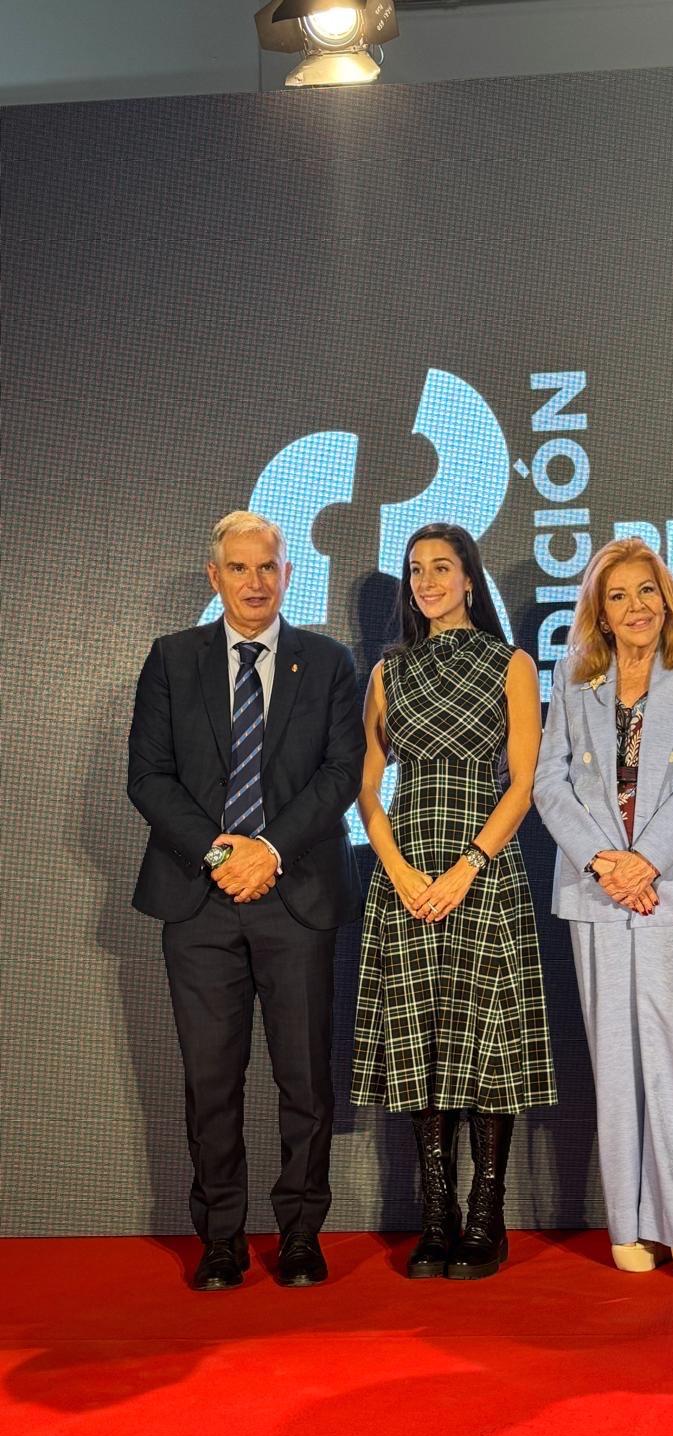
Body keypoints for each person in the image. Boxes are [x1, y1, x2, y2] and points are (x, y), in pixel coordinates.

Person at [128, 511, 365, 1291]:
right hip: (198, 902)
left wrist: (268, 850)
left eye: (267, 568)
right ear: (214, 576)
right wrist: (222, 851)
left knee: (304, 1080)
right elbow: (149, 777)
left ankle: (300, 1235)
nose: (255, 583)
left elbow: (341, 773)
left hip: (294, 896)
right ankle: (221, 1240)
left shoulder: (327, 662)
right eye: (239, 569)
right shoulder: (171, 660)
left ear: (287, 574)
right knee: (211, 1080)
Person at [534, 538, 673, 1290]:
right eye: (617, 595)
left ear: (668, 599)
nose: (635, 609)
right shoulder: (574, 675)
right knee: (616, 1062)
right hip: (597, 897)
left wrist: (643, 862)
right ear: (598, 608)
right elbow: (549, 781)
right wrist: (603, 864)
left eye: (647, 592)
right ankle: (633, 1221)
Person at [350, 523, 554, 1280]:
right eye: (416, 570)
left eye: (443, 567)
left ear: (469, 578)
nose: (428, 581)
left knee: (487, 1044)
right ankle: (434, 1217)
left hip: (483, 872)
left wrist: (469, 864)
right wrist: (397, 867)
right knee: (420, 1042)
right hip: (404, 872)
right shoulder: (386, 673)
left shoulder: (512, 664)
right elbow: (368, 787)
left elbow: (524, 784)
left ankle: (486, 1219)